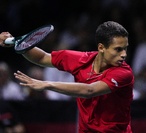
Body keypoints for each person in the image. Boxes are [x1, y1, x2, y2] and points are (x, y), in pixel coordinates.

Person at [0, 21, 134, 133]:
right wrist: (17, 42)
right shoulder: (81, 60)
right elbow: (42, 57)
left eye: (125, 48)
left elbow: (90, 90)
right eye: (118, 49)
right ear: (101, 47)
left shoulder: (123, 73)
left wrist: (48, 84)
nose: (124, 54)